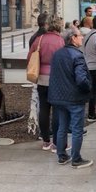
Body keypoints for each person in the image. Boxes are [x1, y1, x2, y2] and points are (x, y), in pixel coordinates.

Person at [49, 27, 94, 169]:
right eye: (80, 36)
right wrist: (88, 87)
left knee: (62, 126)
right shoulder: (77, 55)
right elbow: (81, 79)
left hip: (59, 97)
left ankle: (62, 155)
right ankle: (76, 158)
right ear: (73, 38)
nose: (82, 38)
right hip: (74, 98)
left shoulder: (57, 54)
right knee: (76, 129)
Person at [30, 21, 66, 151]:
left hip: (41, 79)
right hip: (56, 79)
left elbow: (30, 56)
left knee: (44, 109)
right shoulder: (60, 41)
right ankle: (56, 143)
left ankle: (45, 141)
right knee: (57, 110)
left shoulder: (39, 39)